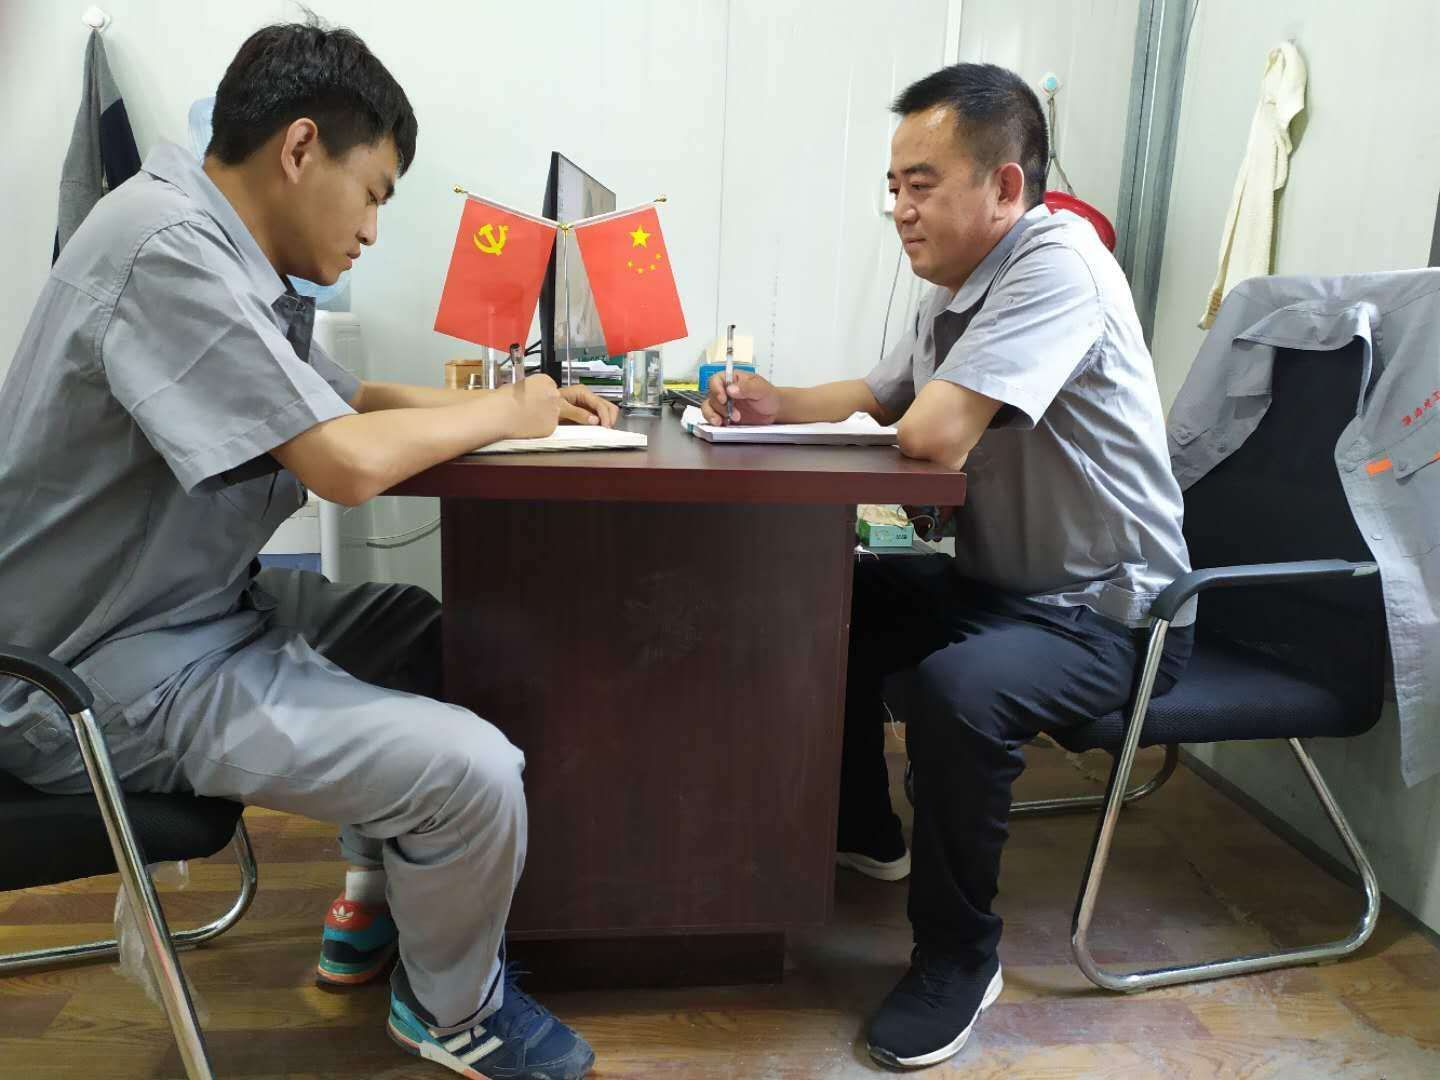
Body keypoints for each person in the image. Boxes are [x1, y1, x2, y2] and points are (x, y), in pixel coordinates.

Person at [0, 20, 607, 1080]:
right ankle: (454, 1012)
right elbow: (343, 462)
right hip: (96, 676)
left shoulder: (217, 250)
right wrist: (507, 411)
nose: (372, 228)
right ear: (299, 148)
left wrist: (535, 405)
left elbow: (350, 400)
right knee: (474, 773)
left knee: (423, 634)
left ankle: (374, 897)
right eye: (373, 193)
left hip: (185, 615)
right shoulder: (165, 251)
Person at [702, 63, 1195, 1070]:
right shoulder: (957, 288)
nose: (899, 209)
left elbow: (929, 435)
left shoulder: (1060, 266)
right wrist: (772, 401)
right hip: (1004, 589)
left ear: (1006, 187)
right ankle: (866, 830)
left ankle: (959, 958)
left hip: (1112, 619)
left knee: (958, 691)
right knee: (824, 600)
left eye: (921, 185)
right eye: (894, 186)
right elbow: (883, 394)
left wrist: (889, 421)